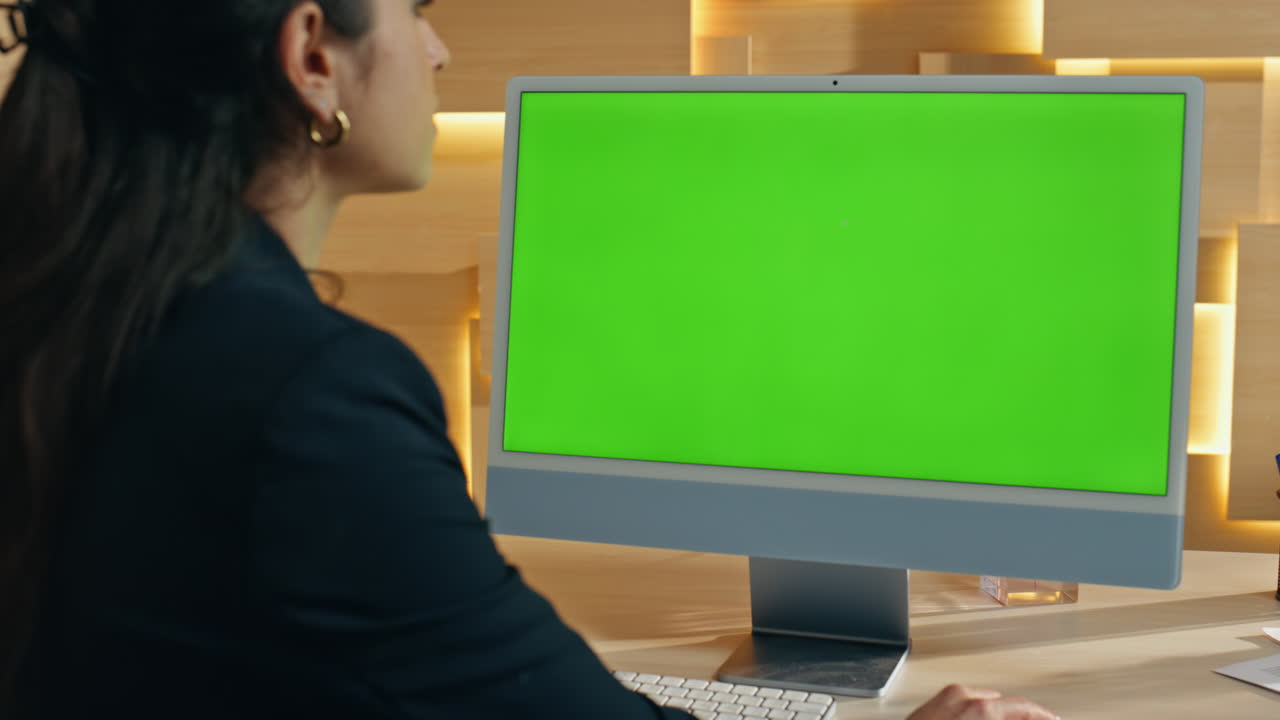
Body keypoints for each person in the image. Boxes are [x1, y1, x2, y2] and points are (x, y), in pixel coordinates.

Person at [0, 1, 1059, 718]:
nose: (438, 52)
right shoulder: (302, 398)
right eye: (418, 11)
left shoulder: (78, 319)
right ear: (313, 54)